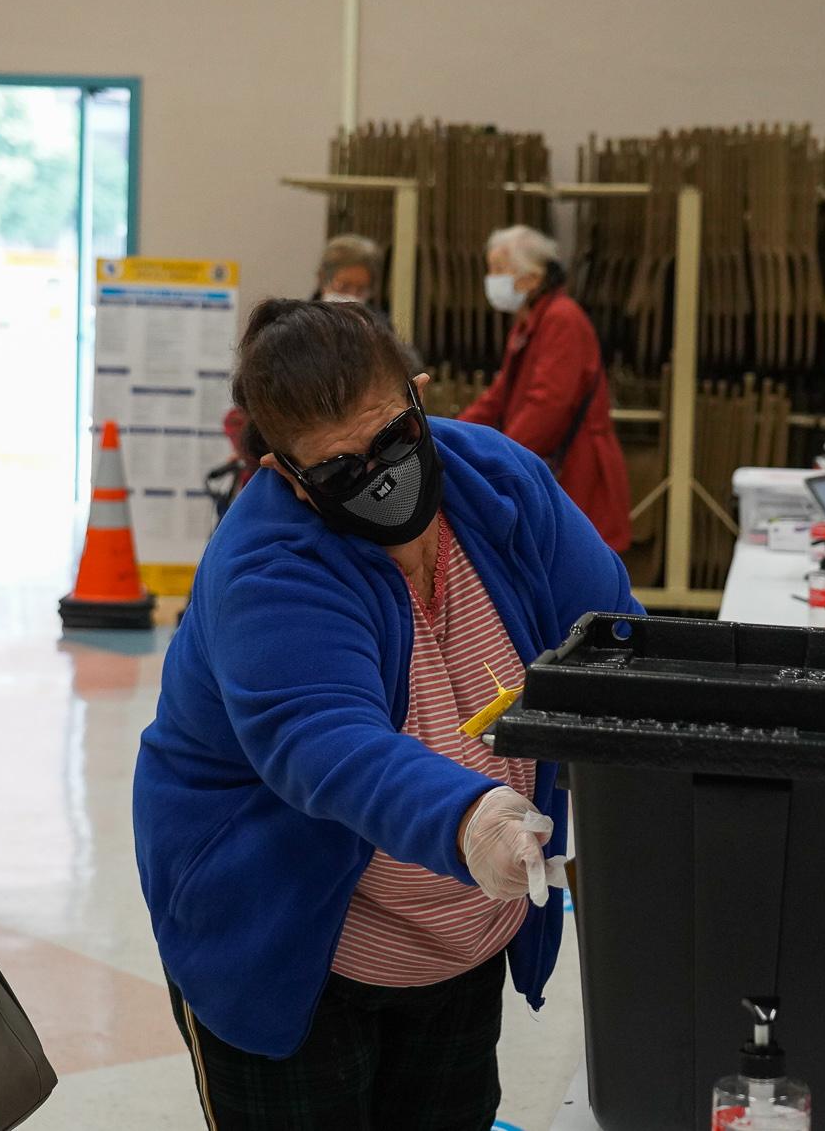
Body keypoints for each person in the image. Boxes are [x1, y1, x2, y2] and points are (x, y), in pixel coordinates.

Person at [135, 299, 637, 1129]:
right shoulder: (268, 565)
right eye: (338, 469)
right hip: (291, 947)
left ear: (420, 397)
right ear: (283, 474)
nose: (379, 475)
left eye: (394, 439)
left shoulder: (499, 483)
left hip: (458, 936)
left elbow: (614, 642)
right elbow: (326, 742)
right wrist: (469, 817)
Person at [459, 224, 632, 554]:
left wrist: (503, 458)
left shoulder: (561, 319)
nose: (491, 279)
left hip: (578, 470)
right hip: (550, 462)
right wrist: (448, 436)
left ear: (533, 277)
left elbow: (548, 404)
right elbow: (498, 398)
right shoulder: (531, 320)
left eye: (499, 270)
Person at [314, 232, 382, 305]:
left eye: (361, 290)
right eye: (344, 287)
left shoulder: (377, 316)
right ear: (323, 280)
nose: (352, 297)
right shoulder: (303, 315)